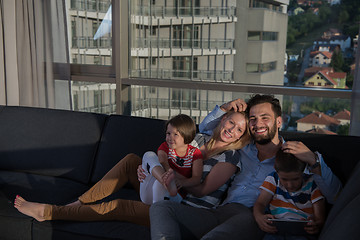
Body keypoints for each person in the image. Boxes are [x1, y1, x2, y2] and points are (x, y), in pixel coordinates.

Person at [150, 94, 342, 240]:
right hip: (218, 211)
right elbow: (206, 129)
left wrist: (314, 161)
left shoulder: (292, 157)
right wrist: (224, 108)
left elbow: (335, 195)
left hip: (253, 216)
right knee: (160, 208)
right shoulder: (241, 146)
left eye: (265, 118)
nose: (258, 124)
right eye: (253, 119)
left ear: (279, 121)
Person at [13, 110, 250, 228]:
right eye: (231, 122)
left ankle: (49, 212)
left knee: (119, 206)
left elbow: (200, 190)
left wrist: (168, 176)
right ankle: (80, 203)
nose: (232, 130)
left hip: (184, 209)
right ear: (223, 119)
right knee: (131, 161)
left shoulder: (231, 156)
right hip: (163, 189)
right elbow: (164, 153)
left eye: (240, 129)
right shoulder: (198, 138)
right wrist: (149, 171)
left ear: (242, 136)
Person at [253, 148, 326, 240]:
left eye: (295, 179)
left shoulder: (313, 183)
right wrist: (259, 216)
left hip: (303, 233)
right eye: (284, 179)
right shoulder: (273, 179)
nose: (290, 185)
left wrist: (316, 225)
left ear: (303, 171)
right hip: (275, 231)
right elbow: (261, 203)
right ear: (276, 170)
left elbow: (319, 218)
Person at [139, 114, 203, 204]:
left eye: (175, 134)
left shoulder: (195, 153)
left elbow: (196, 179)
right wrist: (169, 173)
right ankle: (165, 182)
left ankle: (157, 208)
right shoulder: (165, 146)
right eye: (168, 133)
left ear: (187, 136)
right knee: (149, 155)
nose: (170, 138)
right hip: (149, 192)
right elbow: (162, 160)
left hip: (175, 196)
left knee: (159, 183)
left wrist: (182, 182)